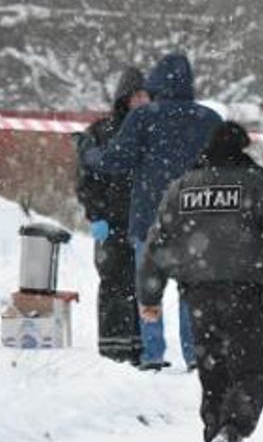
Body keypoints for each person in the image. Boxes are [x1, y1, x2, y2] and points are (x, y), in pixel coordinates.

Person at [139, 121, 263, 442]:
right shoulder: (258, 185)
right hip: (245, 293)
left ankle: (216, 430)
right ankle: (231, 432)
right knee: (251, 371)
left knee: (214, 371)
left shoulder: (182, 188)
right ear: (242, 149)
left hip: (199, 294)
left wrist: (149, 295)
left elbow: (157, 244)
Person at [82, 52, 222, 371]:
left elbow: (115, 161)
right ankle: (195, 355)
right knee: (193, 294)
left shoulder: (144, 117)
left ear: (156, 81)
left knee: (149, 289)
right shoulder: (210, 119)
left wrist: (88, 153)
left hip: (150, 219)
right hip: (197, 220)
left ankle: (153, 355)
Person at [75, 67, 149, 365]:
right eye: (139, 96)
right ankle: (112, 351)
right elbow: (86, 180)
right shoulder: (102, 132)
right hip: (112, 223)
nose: (144, 101)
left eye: (148, 96)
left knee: (143, 287)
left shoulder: (155, 132)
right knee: (113, 284)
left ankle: (140, 348)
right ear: (126, 98)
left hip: (145, 223)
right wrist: (96, 216)